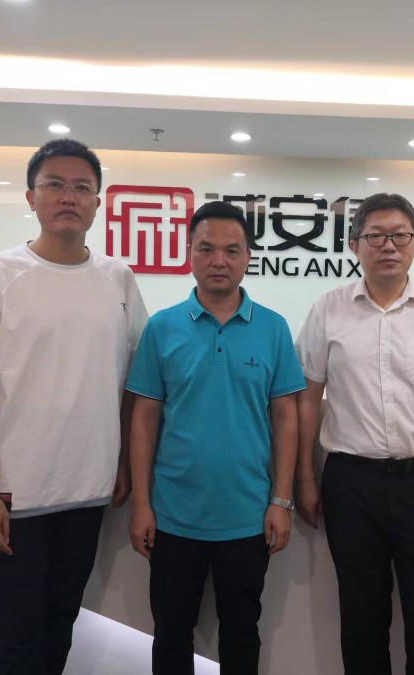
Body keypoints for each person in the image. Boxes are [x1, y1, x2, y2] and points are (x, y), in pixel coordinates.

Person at [0, 138, 148, 674]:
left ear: (98, 202)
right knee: (16, 644)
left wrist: (120, 464)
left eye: (82, 187)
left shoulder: (118, 279)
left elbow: (130, 381)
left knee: (60, 630)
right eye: (55, 185)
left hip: (87, 495)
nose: (69, 196)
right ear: (31, 197)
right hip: (12, 500)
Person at [296, 193, 414, 675]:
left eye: (400, 235)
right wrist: (306, 477)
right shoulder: (328, 309)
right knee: (361, 621)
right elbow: (308, 398)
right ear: (354, 245)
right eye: (375, 236)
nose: (388, 246)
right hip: (351, 484)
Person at [126, 200, 304, 675]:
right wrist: (142, 504)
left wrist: (281, 501)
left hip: (248, 517)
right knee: (170, 637)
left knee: (242, 636)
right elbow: (144, 418)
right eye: (206, 249)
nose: (219, 260)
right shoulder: (162, 328)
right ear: (190, 253)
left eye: (232, 250)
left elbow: (286, 418)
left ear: (248, 257)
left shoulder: (273, 328)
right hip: (172, 517)